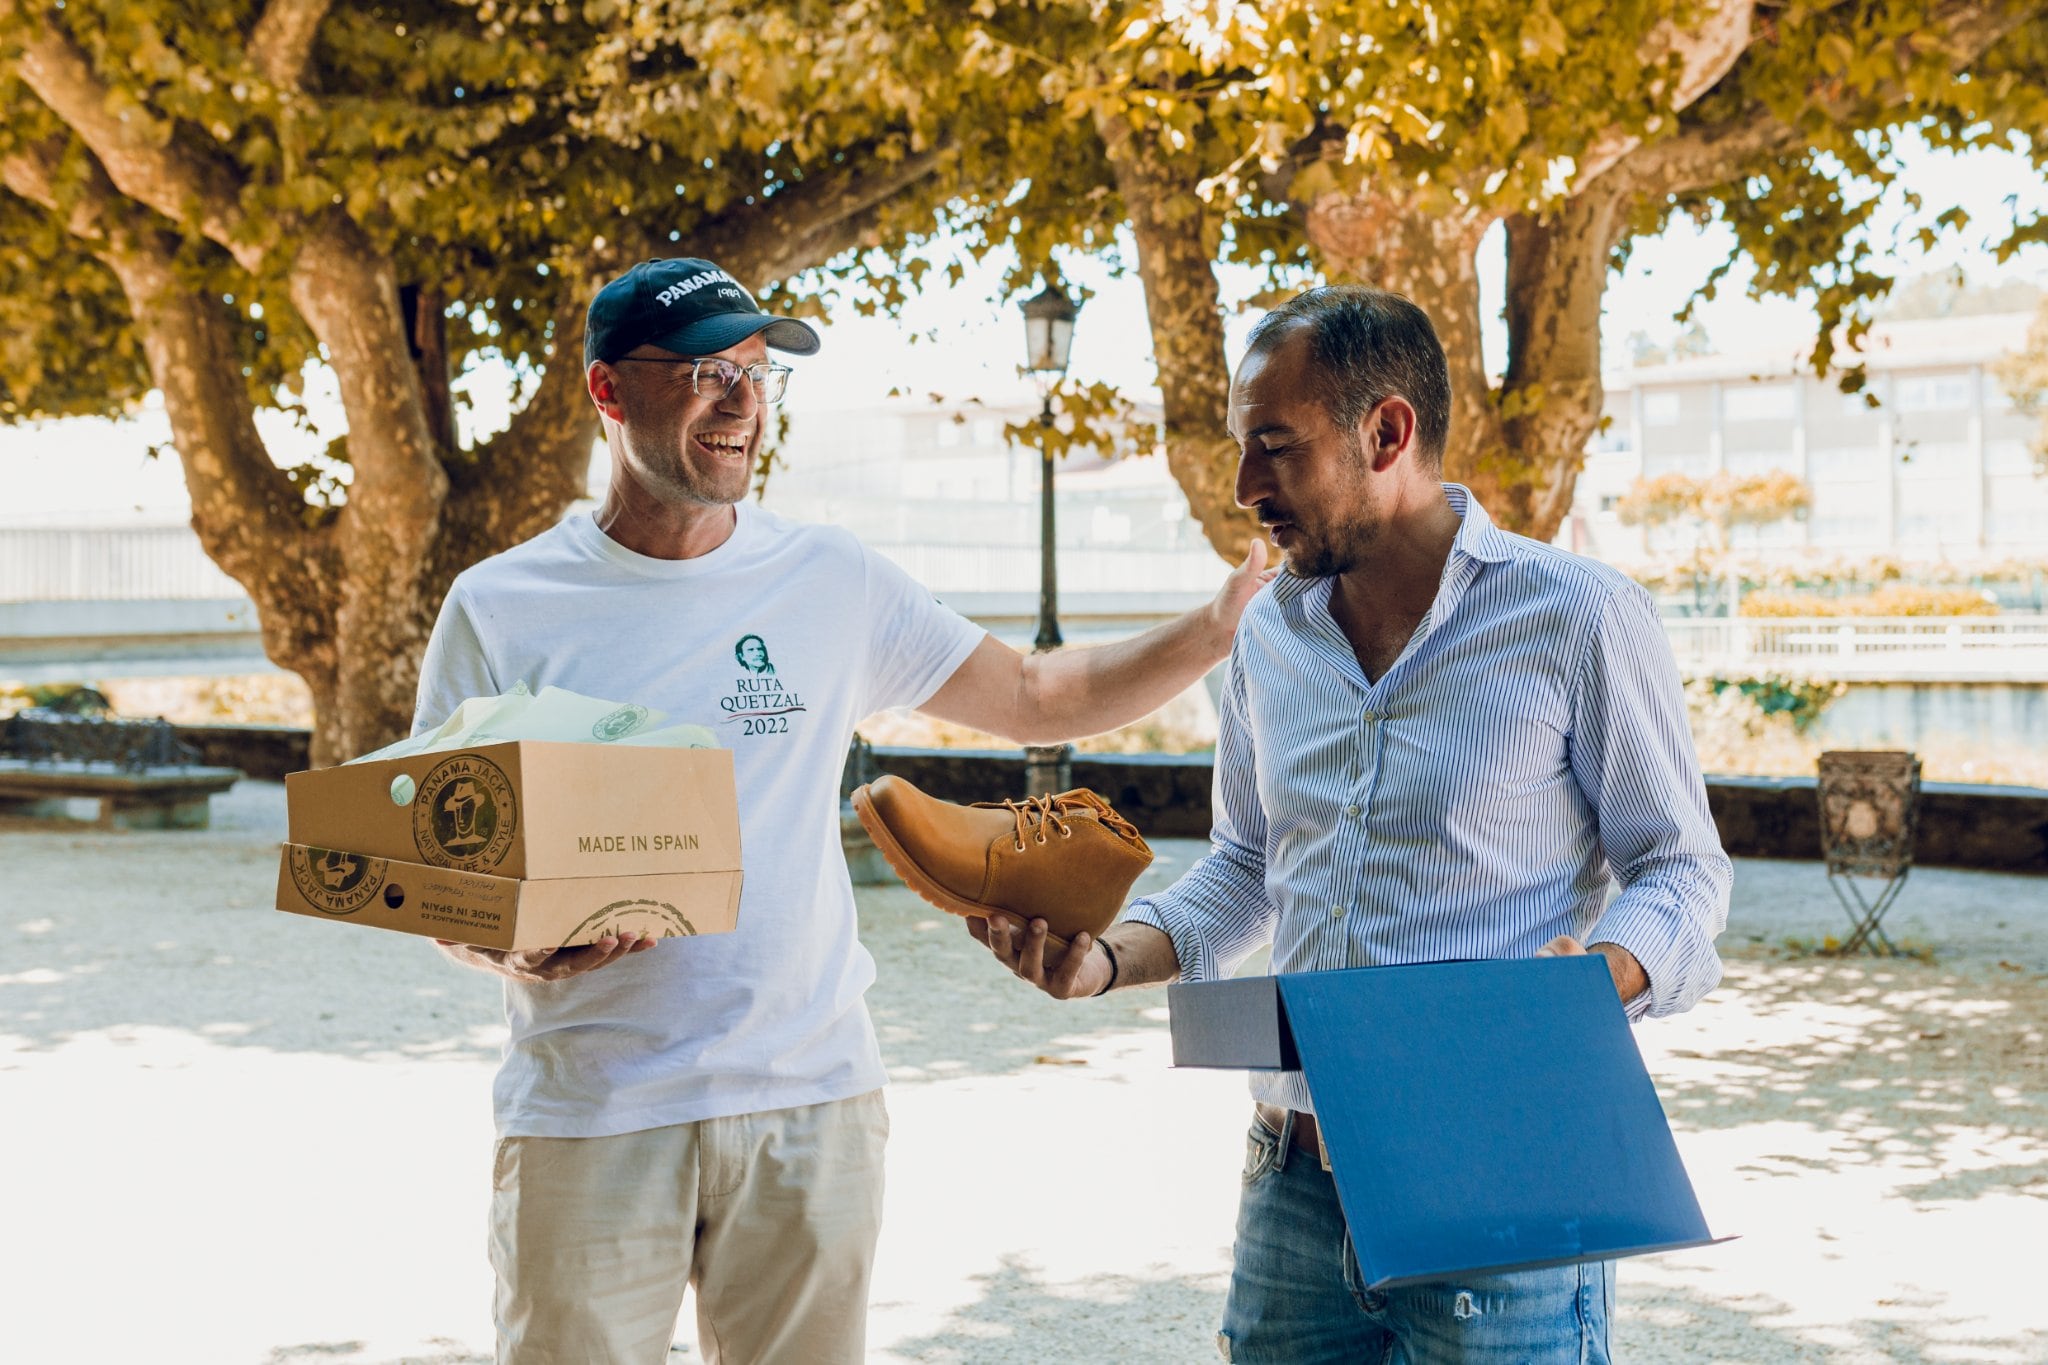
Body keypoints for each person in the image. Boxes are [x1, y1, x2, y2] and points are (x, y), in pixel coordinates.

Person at [415, 255, 1273, 1364]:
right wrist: (513, 954)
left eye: (758, 371)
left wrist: (1211, 629)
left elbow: (1032, 695)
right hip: (589, 1110)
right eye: (705, 371)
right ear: (606, 391)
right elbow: (445, 882)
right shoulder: (498, 608)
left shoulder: (827, 577)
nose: (741, 402)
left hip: (811, 1101)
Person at [973, 285, 1732, 1364]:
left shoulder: (1578, 616)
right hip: (1286, 1181)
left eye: (1273, 448)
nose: (1244, 489)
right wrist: (1100, 962)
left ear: (1386, 432)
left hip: (1499, 1170)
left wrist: (1597, 974)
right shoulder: (1265, 641)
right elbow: (1246, 864)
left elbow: (1679, 868)